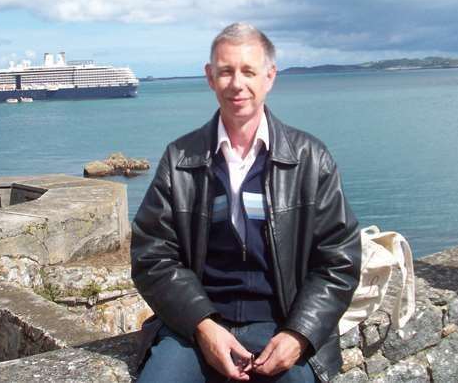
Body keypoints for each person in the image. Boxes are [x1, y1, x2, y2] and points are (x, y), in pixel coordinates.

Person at [131, 23, 361, 383]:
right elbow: (151, 255)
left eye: (248, 71)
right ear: (210, 77)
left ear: (270, 77)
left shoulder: (311, 159)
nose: (237, 84)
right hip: (195, 326)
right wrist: (202, 325)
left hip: (281, 322)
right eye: (225, 71)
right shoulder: (179, 159)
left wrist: (299, 333)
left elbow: (339, 260)